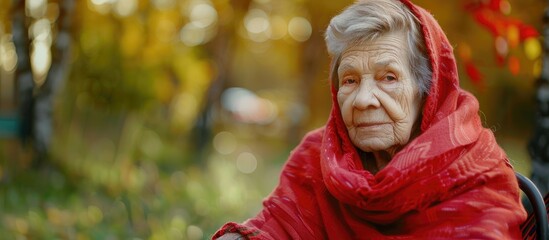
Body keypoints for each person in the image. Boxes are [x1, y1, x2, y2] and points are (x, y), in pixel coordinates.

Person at [213, 0, 527, 239]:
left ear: (428, 91)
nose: (363, 99)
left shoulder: (478, 174)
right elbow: (273, 228)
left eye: (388, 77)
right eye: (349, 80)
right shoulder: (317, 158)